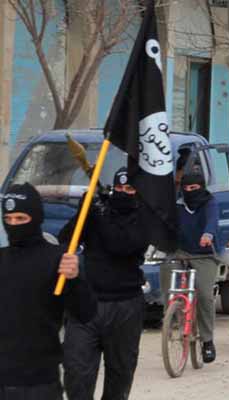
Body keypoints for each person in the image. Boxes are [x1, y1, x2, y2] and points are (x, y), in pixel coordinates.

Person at [60, 168, 150, 400]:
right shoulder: (98, 211)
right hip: (87, 305)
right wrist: (83, 212)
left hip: (125, 307)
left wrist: (98, 214)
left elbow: (120, 245)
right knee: (76, 375)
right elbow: (66, 240)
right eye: (118, 188)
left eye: (129, 188)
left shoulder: (144, 217)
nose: (122, 192)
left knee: (119, 377)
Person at [0, 183, 96, 399]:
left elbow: (86, 313)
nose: (13, 224)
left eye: (20, 218)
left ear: (36, 218)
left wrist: (74, 280)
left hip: (40, 383)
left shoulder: (58, 259)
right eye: (8, 219)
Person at [160, 170, 220, 364]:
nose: (189, 191)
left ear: (202, 187)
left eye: (194, 188)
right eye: (186, 188)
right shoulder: (177, 203)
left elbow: (212, 220)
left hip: (204, 254)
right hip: (179, 252)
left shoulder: (210, 202)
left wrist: (208, 234)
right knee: (166, 274)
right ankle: (171, 318)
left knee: (204, 295)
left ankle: (207, 340)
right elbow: (165, 222)